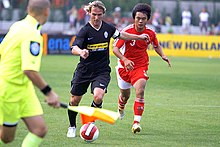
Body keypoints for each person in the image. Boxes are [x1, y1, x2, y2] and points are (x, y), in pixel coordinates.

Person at [66, 0, 148, 138]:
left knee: (98, 96)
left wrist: (138, 37)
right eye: (94, 14)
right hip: (84, 70)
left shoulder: (108, 28)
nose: (96, 17)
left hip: (102, 70)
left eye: (99, 14)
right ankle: (72, 126)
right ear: (89, 13)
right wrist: (81, 52)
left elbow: (121, 35)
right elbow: (74, 47)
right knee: (74, 100)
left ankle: (90, 123)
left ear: (103, 13)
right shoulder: (85, 30)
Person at [0, 0, 60, 146]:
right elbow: (29, 70)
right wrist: (49, 93)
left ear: (28, 8)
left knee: (39, 129)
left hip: (25, 90)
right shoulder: (32, 34)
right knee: (7, 138)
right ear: (47, 11)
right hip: (10, 89)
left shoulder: (18, 25)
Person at [113, 3, 171, 134]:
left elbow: (156, 46)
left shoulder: (150, 33)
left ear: (147, 19)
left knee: (140, 89)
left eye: (143, 18)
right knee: (125, 95)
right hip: (124, 67)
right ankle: (121, 106)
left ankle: (136, 123)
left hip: (140, 66)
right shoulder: (126, 32)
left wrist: (163, 55)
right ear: (134, 18)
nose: (140, 21)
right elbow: (115, 49)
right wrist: (125, 60)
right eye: (138, 18)